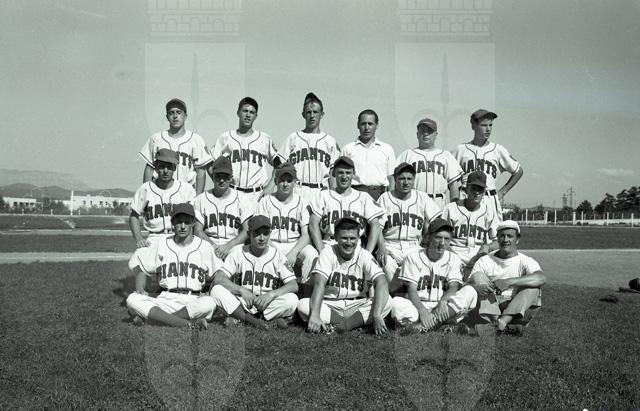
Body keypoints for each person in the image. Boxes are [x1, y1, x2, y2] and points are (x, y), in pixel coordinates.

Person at [126, 203, 221, 329]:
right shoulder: (161, 243)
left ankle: (157, 319)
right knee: (133, 299)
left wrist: (208, 291)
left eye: (187, 222)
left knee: (209, 302)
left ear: (193, 223)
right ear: (172, 223)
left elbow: (219, 276)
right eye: (179, 222)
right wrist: (140, 288)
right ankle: (186, 323)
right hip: (165, 299)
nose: (183, 226)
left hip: (193, 300)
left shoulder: (205, 247)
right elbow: (143, 270)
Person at [297, 217, 392, 335]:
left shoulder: (364, 255)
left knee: (388, 301)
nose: (348, 243)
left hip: (358, 304)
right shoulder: (328, 252)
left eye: (352, 238)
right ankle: (354, 324)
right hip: (331, 305)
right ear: (336, 237)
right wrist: (315, 314)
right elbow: (319, 283)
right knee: (303, 305)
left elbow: (382, 282)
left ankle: (340, 325)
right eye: (344, 238)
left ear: (358, 239)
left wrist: (377, 315)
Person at [209, 215, 299, 329]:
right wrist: (241, 290)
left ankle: (242, 319)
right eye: (257, 233)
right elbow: (219, 278)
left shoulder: (278, 256)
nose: (262, 238)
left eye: (265, 233)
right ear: (249, 234)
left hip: (267, 304)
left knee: (292, 300)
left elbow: (293, 285)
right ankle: (260, 322)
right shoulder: (237, 253)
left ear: (270, 234)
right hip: (243, 302)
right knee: (217, 290)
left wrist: (272, 294)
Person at [391, 218, 478, 333]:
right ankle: (443, 325)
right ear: (429, 237)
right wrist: (423, 311)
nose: (442, 243)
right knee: (396, 303)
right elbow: (411, 290)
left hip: (444, 307)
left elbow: (453, 287)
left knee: (470, 291)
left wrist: (443, 301)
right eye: (438, 237)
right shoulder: (413, 257)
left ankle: (422, 327)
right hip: (419, 305)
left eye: (447, 239)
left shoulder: (454, 259)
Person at [467, 220, 547, 334]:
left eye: (510, 236)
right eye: (502, 236)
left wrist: (509, 282)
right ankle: (506, 326)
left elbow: (541, 278)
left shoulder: (525, 261)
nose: (505, 240)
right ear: (497, 239)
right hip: (491, 305)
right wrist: (478, 287)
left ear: (517, 239)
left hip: (516, 305)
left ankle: (501, 323)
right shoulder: (485, 260)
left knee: (533, 288)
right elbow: (468, 285)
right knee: (478, 276)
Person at [255, 163, 319, 295]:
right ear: (275, 181)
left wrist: (294, 252)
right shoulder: (265, 201)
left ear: (295, 182)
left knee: (312, 254)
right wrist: (276, 252)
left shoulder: (302, 202)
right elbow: (260, 232)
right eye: (282, 180)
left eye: (289, 180)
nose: (285, 184)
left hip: (294, 244)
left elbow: (306, 235)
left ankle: (306, 295)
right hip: (270, 244)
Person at [208, 97, 283, 203]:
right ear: (238, 113)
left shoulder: (264, 138)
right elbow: (210, 164)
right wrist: (220, 183)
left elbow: (279, 164)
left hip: (257, 195)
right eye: (245, 111)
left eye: (252, 112)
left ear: (256, 116)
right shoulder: (226, 137)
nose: (248, 115)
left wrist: (270, 186)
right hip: (232, 192)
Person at [377, 162, 442, 285]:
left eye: (409, 179)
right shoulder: (385, 198)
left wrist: (427, 239)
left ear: (413, 180)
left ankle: (410, 293)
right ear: (395, 180)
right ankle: (396, 293)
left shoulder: (422, 197)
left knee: (421, 269)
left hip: (414, 245)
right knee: (386, 263)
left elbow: (438, 220)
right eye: (402, 178)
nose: (406, 182)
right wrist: (382, 247)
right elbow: (377, 227)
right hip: (391, 245)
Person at [453, 109, 523, 220]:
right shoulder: (461, 149)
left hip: (489, 197)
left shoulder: (498, 150)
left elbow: (518, 171)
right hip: (466, 197)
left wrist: (502, 192)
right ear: (473, 126)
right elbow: (450, 177)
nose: (488, 129)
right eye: (484, 125)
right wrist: (455, 196)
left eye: (490, 125)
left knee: (492, 230)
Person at [308, 156, 384, 258]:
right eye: (340, 172)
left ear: (353, 174)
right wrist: (321, 249)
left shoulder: (363, 197)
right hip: (329, 245)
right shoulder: (323, 195)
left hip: (355, 246)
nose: (344, 176)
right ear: (334, 174)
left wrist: (367, 253)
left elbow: (375, 224)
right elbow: (313, 223)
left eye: (348, 173)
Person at [139, 98, 211, 194]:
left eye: (179, 112)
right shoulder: (156, 139)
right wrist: (146, 193)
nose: (175, 116)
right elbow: (149, 168)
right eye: (171, 113)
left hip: (187, 193)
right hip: (160, 192)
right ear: (167, 117)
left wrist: (198, 197)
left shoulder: (196, 140)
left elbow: (201, 171)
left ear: (185, 116)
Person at [129, 148, 196, 248]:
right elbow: (133, 216)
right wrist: (139, 239)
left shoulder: (186, 189)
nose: (165, 171)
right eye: (162, 167)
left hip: (179, 238)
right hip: (154, 238)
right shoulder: (146, 188)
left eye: (169, 167)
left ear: (174, 168)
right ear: (156, 168)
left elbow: (195, 218)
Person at [279, 92, 341, 200]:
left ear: (322, 114)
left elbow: (333, 172)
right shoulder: (293, 138)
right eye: (309, 112)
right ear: (303, 114)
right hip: (298, 189)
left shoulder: (330, 141)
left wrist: (334, 195)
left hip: (322, 190)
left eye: (315, 112)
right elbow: (279, 164)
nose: (312, 116)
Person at [441, 171, 499, 277]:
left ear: (484, 192)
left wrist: (487, 247)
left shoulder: (489, 211)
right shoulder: (451, 208)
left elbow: (498, 241)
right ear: (466, 189)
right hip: (454, 253)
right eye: (473, 188)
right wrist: (450, 256)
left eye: (480, 189)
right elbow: (440, 236)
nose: (476, 192)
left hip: (478, 255)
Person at [396, 117, 464, 209]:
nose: (425, 133)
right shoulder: (407, 155)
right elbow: (395, 182)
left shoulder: (446, 155)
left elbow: (454, 185)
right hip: (414, 202)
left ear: (436, 135)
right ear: (417, 134)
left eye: (429, 131)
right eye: (422, 131)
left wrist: (454, 209)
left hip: (438, 202)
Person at [193, 156, 251, 260]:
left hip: (234, 245)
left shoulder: (242, 199)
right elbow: (198, 231)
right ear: (212, 176)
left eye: (226, 177)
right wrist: (215, 247)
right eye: (218, 176)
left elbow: (247, 230)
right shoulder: (201, 199)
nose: (222, 180)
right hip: (209, 245)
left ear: (231, 178)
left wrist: (228, 246)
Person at [341, 109, 396, 201]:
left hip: (380, 195)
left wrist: (390, 199)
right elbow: (340, 175)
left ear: (376, 125)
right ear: (358, 125)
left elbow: (391, 178)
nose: (366, 127)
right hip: (355, 194)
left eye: (370, 124)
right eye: (363, 124)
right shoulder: (348, 149)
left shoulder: (387, 149)